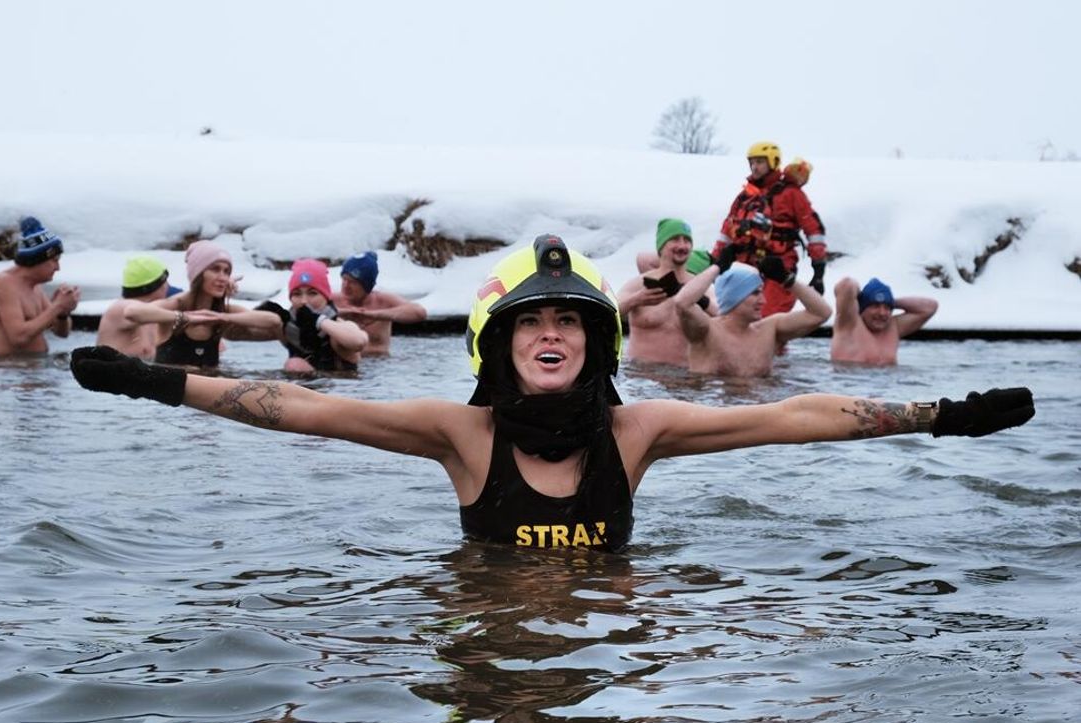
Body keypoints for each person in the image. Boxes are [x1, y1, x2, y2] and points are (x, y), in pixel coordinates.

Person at [71, 233, 1034, 554]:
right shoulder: (460, 431)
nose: (550, 334)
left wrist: (937, 417)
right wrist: (156, 382)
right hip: (482, 620)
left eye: (569, 322)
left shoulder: (639, 427)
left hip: (614, 635)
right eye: (533, 322)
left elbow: (790, 417)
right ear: (499, 350)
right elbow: (301, 408)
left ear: (595, 343)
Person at [711, 143, 829, 317]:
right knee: (739, 318)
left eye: (760, 162)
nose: (755, 167)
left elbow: (813, 230)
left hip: (778, 267)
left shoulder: (791, 194)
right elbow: (727, 230)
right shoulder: (745, 196)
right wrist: (716, 259)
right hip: (746, 266)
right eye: (752, 162)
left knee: (769, 319)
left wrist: (818, 271)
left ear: (773, 162)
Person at [673, 260, 832, 377]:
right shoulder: (706, 331)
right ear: (735, 297)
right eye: (755, 293)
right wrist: (718, 267)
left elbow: (821, 313)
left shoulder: (770, 329)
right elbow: (682, 303)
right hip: (715, 414)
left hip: (760, 413)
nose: (763, 301)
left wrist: (787, 280)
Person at [150, 241, 283, 368]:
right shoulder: (175, 306)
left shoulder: (223, 312)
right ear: (198, 275)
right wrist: (181, 317)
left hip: (210, 387)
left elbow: (273, 321)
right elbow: (135, 312)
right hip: (173, 388)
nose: (223, 277)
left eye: (226, 272)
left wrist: (222, 317)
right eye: (215, 269)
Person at [617, 219, 715, 367]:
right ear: (661, 246)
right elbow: (609, 312)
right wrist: (636, 300)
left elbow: (724, 317)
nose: (682, 245)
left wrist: (698, 300)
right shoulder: (638, 284)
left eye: (687, 240)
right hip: (639, 377)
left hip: (684, 379)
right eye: (675, 239)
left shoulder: (702, 288)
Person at [0, 216, 81, 356]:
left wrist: (62, 313)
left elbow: (62, 333)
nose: (58, 268)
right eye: (54, 260)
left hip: (33, 366)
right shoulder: (3, 284)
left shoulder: (34, 286)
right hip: (5, 371)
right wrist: (57, 306)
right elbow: (18, 337)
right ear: (37, 259)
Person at [95, 255, 221, 360]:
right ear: (159, 285)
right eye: (166, 281)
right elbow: (134, 311)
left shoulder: (156, 314)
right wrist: (183, 317)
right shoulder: (119, 309)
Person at [256, 259, 369, 372]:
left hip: (340, 387)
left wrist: (318, 321)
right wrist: (256, 313)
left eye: (312, 293)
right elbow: (242, 331)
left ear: (326, 297)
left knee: (294, 364)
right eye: (297, 294)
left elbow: (358, 342)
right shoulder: (286, 326)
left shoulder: (342, 326)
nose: (304, 301)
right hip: (301, 384)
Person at [331, 251, 427, 356]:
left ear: (367, 285)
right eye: (344, 279)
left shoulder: (383, 301)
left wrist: (375, 315)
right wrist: (341, 312)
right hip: (346, 364)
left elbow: (419, 313)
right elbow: (311, 311)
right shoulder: (333, 300)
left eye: (353, 282)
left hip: (379, 364)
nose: (346, 286)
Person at [831, 277, 939, 365]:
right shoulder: (849, 323)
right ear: (862, 308)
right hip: (849, 387)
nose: (882, 313)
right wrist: (863, 299)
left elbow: (930, 307)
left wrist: (889, 301)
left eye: (887, 308)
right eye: (875, 306)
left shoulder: (893, 327)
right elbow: (846, 285)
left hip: (887, 388)